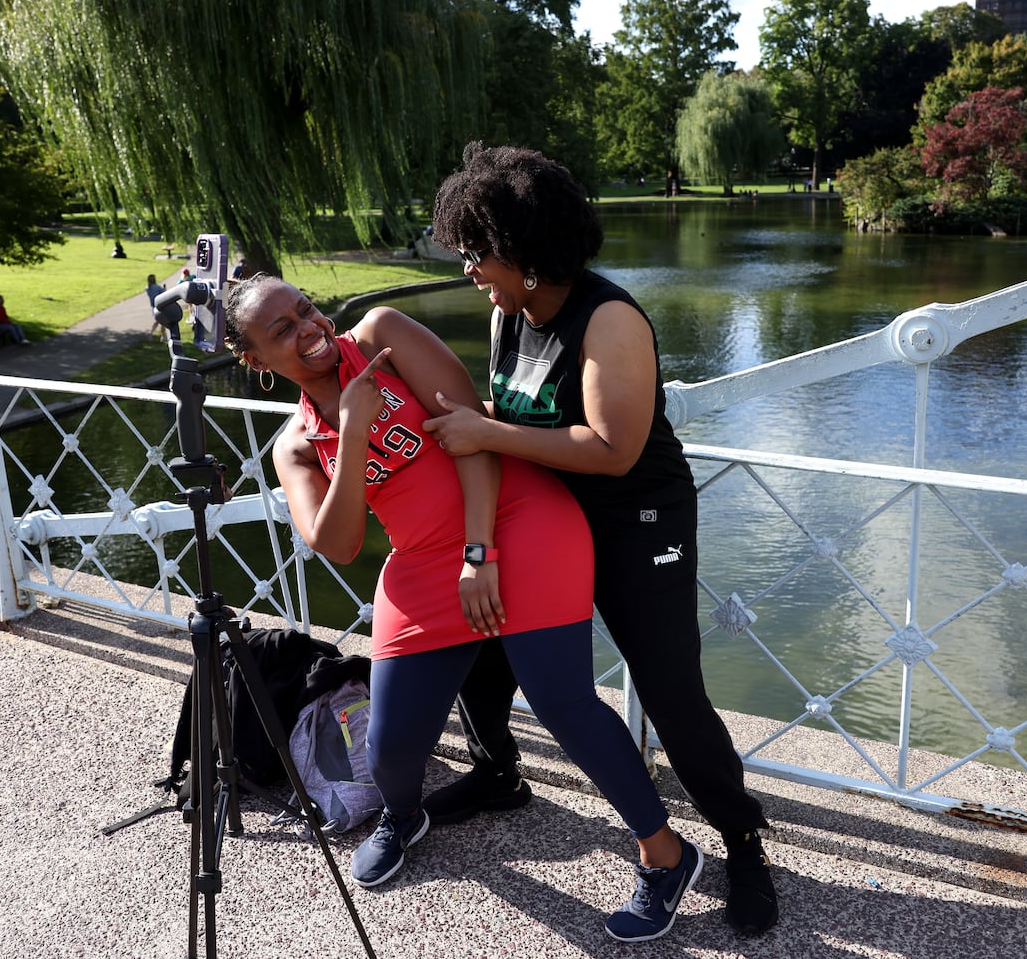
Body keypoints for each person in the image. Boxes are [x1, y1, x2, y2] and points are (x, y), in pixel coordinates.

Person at [223, 274, 703, 943]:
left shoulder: (382, 335)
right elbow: (340, 542)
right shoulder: (296, 445)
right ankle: (403, 815)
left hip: (516, 521)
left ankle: (666, 855)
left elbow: (474, 436)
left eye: (304, 309)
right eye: (281, 329)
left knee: (562, 701)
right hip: (421, 565)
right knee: (390, 747)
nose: (308, 327)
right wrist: (354, 429)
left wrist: (480, 553)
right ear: (254, 361)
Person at [424, 142, 779, 935]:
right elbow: (503, 423)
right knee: (482, 646)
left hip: (637, 519)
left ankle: (740, 838)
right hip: (547, 511)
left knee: (670, 693)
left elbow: (612, 448)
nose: (471, 272)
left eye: (478, 255)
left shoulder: (608, 318)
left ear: (523, 253)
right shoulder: (505, 314)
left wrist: (482, 430)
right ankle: (497, 770)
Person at [145, 274, 166, 340]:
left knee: (157, 321)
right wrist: (164, 288)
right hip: (159, 306)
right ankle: (162, 336)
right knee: (162, 322)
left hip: (153, 307)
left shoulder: (147, 288)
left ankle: (153, 334)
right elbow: (164, 293)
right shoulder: (158, 287)